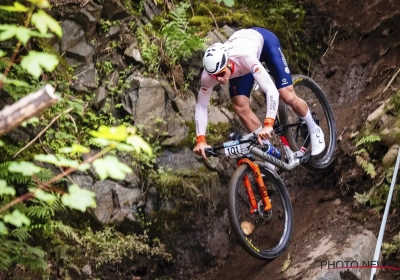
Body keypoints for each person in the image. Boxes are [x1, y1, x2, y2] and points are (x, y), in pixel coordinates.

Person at [193, 27, 325, 160]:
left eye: (221, 74)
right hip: (241, 62)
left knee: (286, 94)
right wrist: (201, 140)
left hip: (264, 43)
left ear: (228, 62)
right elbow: (201, 106)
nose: (219, 79)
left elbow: (271, 90)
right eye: (214, 76)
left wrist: (268, 124)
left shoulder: (244, 57)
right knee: (240, 106)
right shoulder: (208, 75)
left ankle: (314, 129)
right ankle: (269, 151)